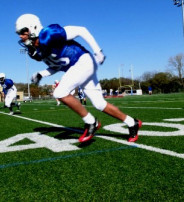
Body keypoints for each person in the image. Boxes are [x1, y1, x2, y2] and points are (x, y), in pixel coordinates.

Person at [15, 14, 142, 143]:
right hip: (77, 67)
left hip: (83, 61)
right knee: (99, 104)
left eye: (22, 32)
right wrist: (42, 74)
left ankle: (91, 122)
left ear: (32, 27)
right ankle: (133, 123)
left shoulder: (49, 34)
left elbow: (81, 30)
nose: (20, 36)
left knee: (59, 92)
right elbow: (57, 66)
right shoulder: (37, 50)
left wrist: (97, 51)